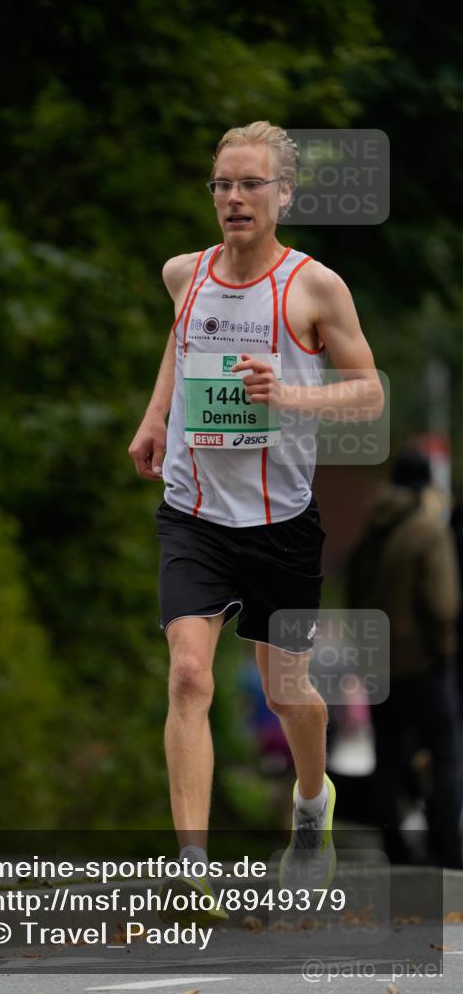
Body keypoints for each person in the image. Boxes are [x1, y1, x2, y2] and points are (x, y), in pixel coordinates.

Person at [128, 121, 384, 912]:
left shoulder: (313, 287)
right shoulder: (184, 274)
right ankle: (192, 868)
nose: (234, 199)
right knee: (188, 676)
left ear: (282, 194)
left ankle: (312, 806)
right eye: (222, 185)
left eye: (249, 185)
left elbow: (370, 390)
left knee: (287, 696)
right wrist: (153, 416)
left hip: (279, 522)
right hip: (193, 512)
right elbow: (179, 344)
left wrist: (293, 394)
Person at [347, 447, 463, 868]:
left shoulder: (370, 531)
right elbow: (443, 603)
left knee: (388, 758)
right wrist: (443, 653)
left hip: (379, 665)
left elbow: (353, 598)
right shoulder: (427, 532)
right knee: (447, 755)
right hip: (424, 665)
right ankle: (448, 849)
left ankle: (394, 847)